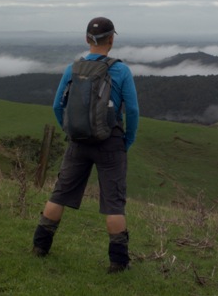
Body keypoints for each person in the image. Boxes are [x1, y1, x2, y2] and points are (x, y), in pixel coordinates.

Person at [32, 17, 140, 273]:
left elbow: (57, 106)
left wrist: (71, 130)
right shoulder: (121, 71)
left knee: (60, 194)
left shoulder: (73, 68)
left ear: (86, 39)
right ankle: (118, 262)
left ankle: (39, 247)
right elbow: (133, 111)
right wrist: (127, 140)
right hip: (111, 142)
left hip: (78, 141)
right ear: (111, 39)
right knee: (114, 203)